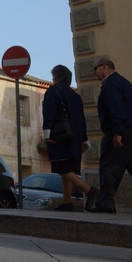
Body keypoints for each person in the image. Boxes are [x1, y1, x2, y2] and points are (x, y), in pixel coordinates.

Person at [42, 64, 98, 211]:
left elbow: (49, 112)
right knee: (68, 168)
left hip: (60, 135)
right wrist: (84, 140)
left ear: (55, 77)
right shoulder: (75, 96)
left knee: (62, 168)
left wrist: (47, 132)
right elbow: (81, 118)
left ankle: (89, 190)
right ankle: (67, 202)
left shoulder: (52, 91)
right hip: (75, 137)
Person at [89, 57, 132, 213]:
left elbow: (117, 110)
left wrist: (117, 133)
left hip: (120, 132)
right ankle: (105, 202)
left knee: (109, 167)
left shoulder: (111, 85)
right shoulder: (124, 83)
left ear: (104, 67)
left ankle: (105, 204)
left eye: (95, 69)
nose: (94, 73)